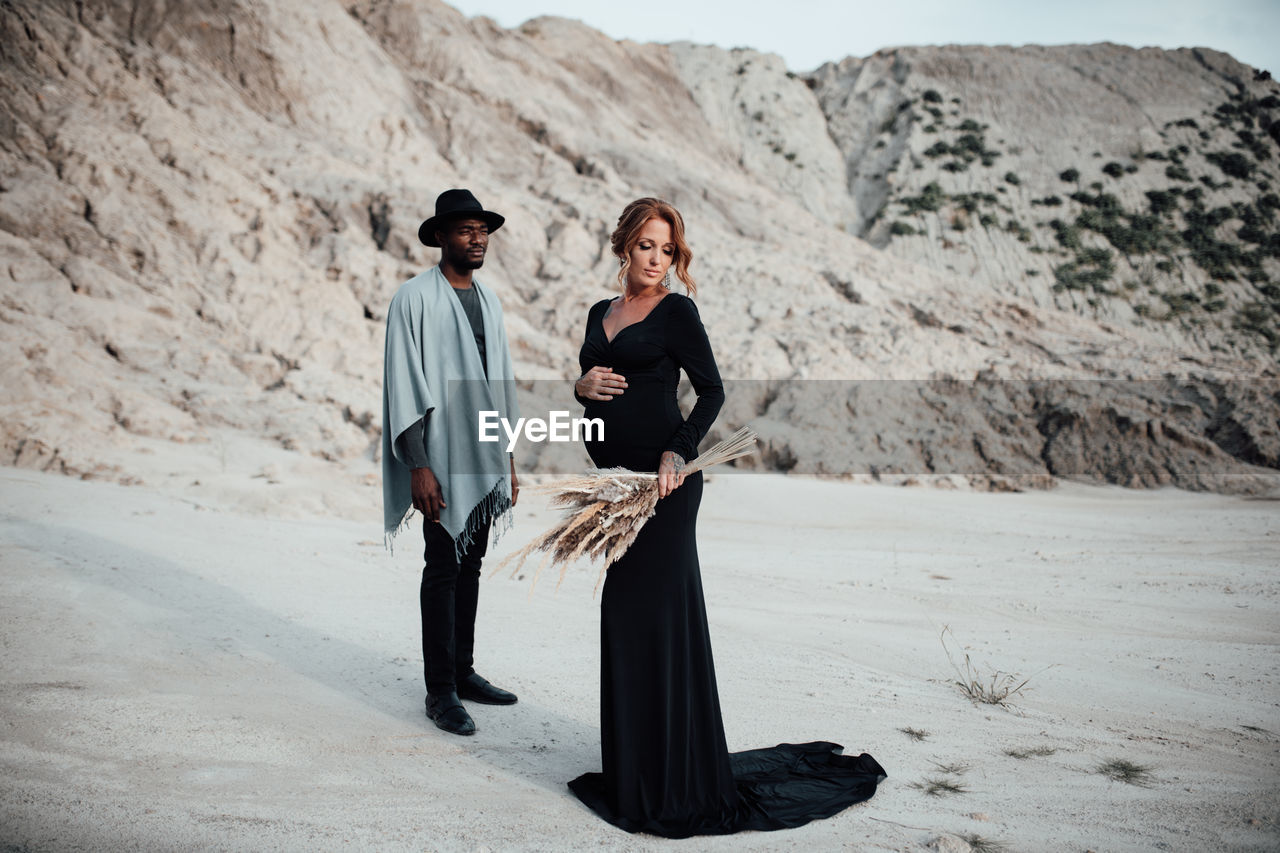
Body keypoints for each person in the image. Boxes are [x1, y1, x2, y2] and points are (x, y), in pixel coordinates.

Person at [566, 198, 885, 837]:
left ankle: (674, 778)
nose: (656, 259)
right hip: (615, 487)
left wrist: (676, 453)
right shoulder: (601, 313)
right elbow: (593, 377)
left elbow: (711, 391)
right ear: (623, 247)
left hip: (666, 487)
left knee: (661, 618)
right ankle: (635, 771)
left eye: (667, 249)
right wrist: (580, 388)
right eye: (646, 246)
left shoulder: (677, 311)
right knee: (623, 617)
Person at [381, 188, 521, 737]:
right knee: (442, 568)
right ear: (440, 236)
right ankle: (440, 690)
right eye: (465, 229)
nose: (478, 238)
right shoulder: (413, 299)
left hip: (483, 454)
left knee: (473, 564)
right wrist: (418, 465)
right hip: (438, 456)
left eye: (483, 229)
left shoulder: (489, 302)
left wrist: (507, 459)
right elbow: (404, 384)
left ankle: (462, 672)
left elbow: (499, 386)